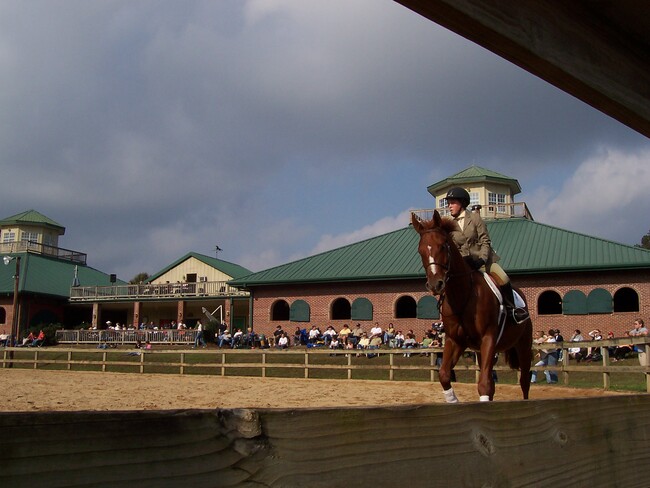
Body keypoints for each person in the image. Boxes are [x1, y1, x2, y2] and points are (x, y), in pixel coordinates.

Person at [445, 187, 528, 324]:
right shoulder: (450, 226)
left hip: (484, 262)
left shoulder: (475, 218)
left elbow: (485, 241)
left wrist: (481, 259)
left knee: (504, 278)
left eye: (452, 202)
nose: (449, 206)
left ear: (462, 203)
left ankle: (512, 310)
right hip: (465, 265)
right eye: (448, 203)